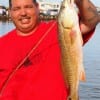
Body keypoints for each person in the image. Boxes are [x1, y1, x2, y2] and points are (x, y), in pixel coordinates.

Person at [0, 0, 99, 100]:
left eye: (28, 7)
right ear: (10, 12)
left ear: (37, 7)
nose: (23, 13)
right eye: (17, 9)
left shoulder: (59, 31)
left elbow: (92, 20)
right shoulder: (2, 44)